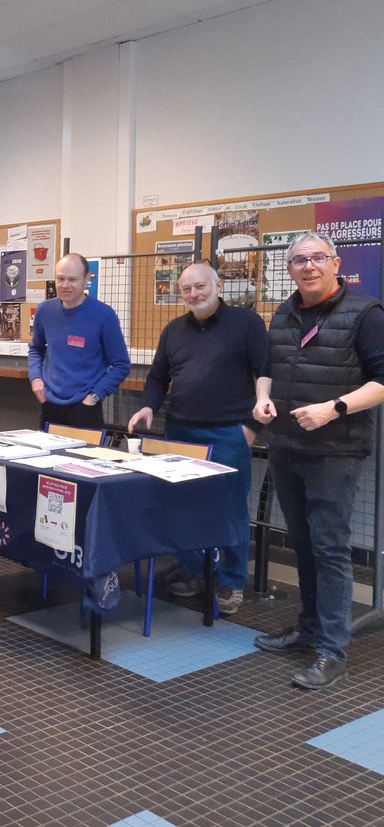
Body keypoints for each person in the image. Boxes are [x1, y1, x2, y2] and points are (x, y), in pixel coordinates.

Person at [252, 232, 384, 690]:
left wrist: (335, 408)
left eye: (317, 258)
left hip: (335, 451)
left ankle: (332, 649)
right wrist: (262, 399)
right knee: (303, 544)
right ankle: (308, 629)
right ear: (289, 269)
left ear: (336, 263)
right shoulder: (284, 313)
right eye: (299, 260)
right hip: (287, 445)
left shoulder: (366, 313)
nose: (308, 266)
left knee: (329, 548)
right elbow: (266, 369)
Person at [127, 262, 268, 615]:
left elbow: (266, 372)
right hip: (180, 433)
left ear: (218, 285)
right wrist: (148, 407)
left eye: (200, 286)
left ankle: (231, 582)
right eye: (186, 289)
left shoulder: (247, 324)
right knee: (182, 508)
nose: (193, 294)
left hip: (228, 434)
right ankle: (195, 572)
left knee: (230, 510)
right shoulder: (173, 330)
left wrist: (251, 427)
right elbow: (158, 377)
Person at [28, 253, 130, 430]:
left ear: (86, 279)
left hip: (85, 407)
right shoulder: (45, 311)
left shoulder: (104, 316)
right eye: (60, 279)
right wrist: (35, 378)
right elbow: (36, 349)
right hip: (50, 404)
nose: (65, 285)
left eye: (72, 279)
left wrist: (95, 396)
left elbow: (121, 365)